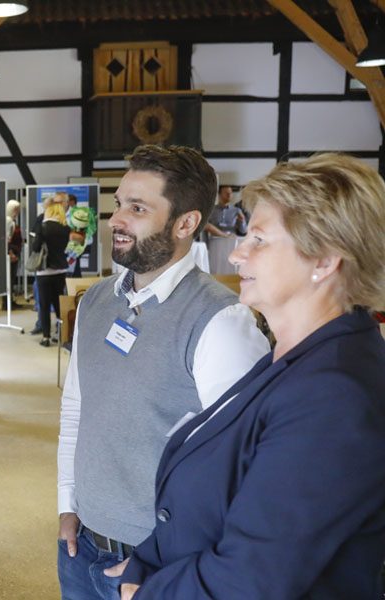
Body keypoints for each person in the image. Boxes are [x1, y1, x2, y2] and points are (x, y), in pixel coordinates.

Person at [119, 153, 385, 600]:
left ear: (324, 260)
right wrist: (151, 556)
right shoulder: (297, 355)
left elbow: (253, 577)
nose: (238, 252)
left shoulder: (334, 395)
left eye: (259, 239)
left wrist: (146, 594)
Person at [57, 145, 270, 600]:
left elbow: (243, 466)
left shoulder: (222, 321)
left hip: (161, 563)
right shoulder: (95, 302)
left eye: (137, 208)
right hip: (80, 544)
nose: (115, 219)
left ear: (186, 223)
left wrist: (178, 563)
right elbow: (77, 407)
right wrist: (66, 504)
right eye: (119, 205)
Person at [30, 192, 71, 347]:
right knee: (59, 304)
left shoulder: (43, 227)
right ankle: (60, 334)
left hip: (44, 272)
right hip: (60, 270)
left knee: (45, 305)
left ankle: (46, 336)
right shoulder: (66, 228)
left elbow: (35, 247)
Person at [204, 184, 247, 274]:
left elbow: (243, 231)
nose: (229, 195)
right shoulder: (211, 210)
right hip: (215, 241)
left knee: (231, 266)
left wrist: (242, 221)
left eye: (230, 193)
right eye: (226, 193)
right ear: (219, 194)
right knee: (216, 266)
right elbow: (205, 226)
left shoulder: (236, 210)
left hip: (231, 242)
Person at [5, 199, 23, 309]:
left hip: (14, 252)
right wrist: (11, 254)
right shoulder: (9, 221)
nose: (18, 212)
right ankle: (7, 303)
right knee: (10, 278)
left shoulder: (12, 220)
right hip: (11, 255)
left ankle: (10, 301)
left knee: (12, 278)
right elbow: (7, 240)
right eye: (16, 209)